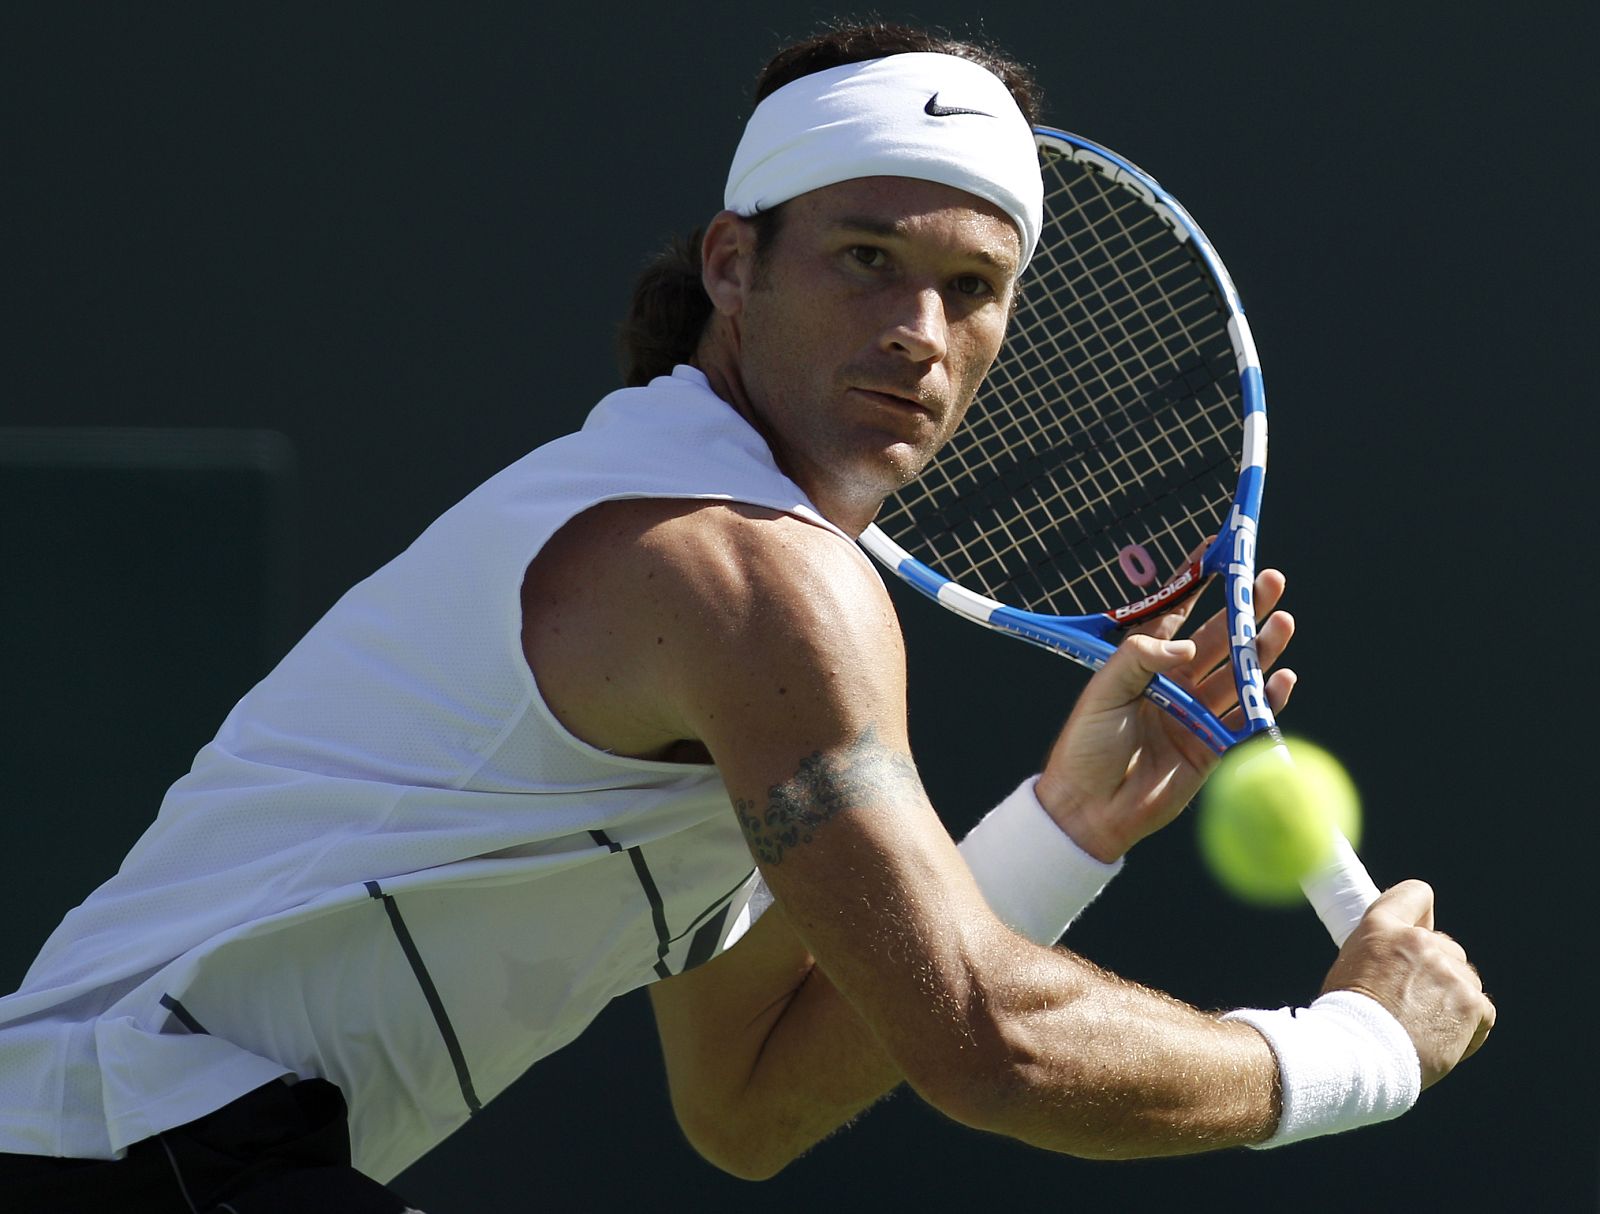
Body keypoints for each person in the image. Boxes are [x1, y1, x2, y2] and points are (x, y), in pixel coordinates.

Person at [0, 21, 1493, 1211]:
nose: (918, 330)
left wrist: (1062, 824)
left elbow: (750, 1100)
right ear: (734, 262)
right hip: (130, 1146)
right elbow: (983, 1042)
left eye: (971, 288)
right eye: (867, 260)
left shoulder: (704, 545)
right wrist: (1357, 1050)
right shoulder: (754, 579)